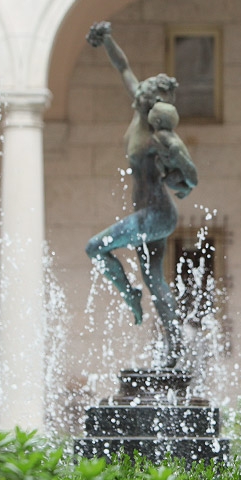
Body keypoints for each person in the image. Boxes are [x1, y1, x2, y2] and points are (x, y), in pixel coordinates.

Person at [84, 21, 198, 368]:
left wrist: (183, 176)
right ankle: (176, 348)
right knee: (156, 280)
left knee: (94, 247)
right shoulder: (138, 112)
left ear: (156, 105)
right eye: (141, 93)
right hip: (150, 216)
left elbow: (190, 176)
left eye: (146, 96)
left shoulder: (159, 138)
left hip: (156, 215)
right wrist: (107, 41)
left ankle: (130, 296)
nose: (138, 95)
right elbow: (124, 68)